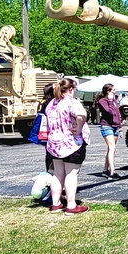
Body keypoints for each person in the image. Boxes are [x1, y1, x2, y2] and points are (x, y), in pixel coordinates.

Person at [45, 78, 90, 214]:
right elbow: (82, 114)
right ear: (71, 89)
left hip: (54, 144)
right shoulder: (71, 102)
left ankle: (56, 203)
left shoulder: (52, 103)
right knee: (71, 174)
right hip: (71, 144)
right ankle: (71, 205)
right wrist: (79, 127)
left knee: (57, 174)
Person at [95, 84, 123, 180]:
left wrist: (120, 127)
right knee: (112, 148)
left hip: (115, 126)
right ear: (108, 91)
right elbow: (109, 112)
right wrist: (110, 101)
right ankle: (112, 171)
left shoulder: (115, 100)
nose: (115, 91)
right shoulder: (102, 101)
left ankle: (105, 170)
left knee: (111, 149)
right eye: (113, 90)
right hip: (106, 126)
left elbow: (117, 114)